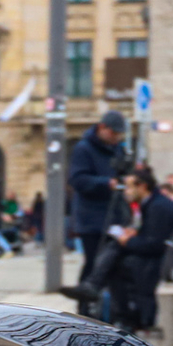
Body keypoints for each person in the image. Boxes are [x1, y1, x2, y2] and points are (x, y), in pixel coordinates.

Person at [108, 166, 173, 333]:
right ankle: (96, 286)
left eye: (129, 187)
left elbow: (153, 244)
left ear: (142, 186)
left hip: (167, 259)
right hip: (164, 254)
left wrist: (127, 241)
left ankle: (127, 318)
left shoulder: (156, 206)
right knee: (116, 256)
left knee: (118, 265)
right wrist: (134, 235)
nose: (126, 192)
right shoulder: (152, 203)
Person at [65, 112, 129, 284]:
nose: (116, 137)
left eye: (119, 134)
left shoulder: (118, 149)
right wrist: (106, 183)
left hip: (115, 216)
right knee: (94, 264)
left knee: (112, 263)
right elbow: (78, 180)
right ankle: (85, 303)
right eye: (113, 133)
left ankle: (106, 305)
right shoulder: (83, 148)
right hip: (91, 219)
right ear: (102, 128)